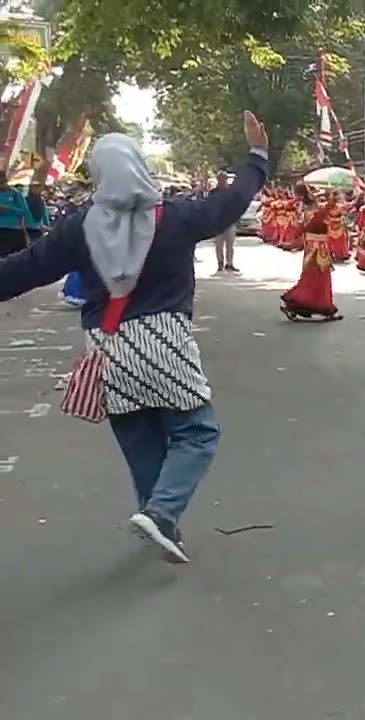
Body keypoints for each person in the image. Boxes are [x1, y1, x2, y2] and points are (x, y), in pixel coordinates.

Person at [0, 112, 269, 563]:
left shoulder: (77, 227)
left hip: (105, 348)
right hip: (165, 340)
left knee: (141, 438)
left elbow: (21, 271)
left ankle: (160, 521)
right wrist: (257, 156)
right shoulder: (177, 217)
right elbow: (233, 200)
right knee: (198, 432)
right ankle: (162, 514)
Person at [280, 183, 342, 321]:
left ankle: (309, 305)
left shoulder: (304, 210)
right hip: (318, 246)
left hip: (311, 245)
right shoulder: (315, 210)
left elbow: (301, 228)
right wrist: (331, 200)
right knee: (320, 276)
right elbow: (320, 216)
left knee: (312, 276)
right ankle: (312, 304)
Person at [0, 171, 38, 257]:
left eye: (3, 182)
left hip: (13, 232)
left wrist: (8, 209)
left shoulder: (15, 194)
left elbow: (25, 212)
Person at [211, 171, 240, 273]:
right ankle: (220, 263)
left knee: (230, 245)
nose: (224, 180)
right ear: (218, 179)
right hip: (218, 222)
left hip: (229, 222)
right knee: (219, 245)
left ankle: (229, 263)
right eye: (222, 178)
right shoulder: (213, 192)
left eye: (225, 179)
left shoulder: (230, 192)